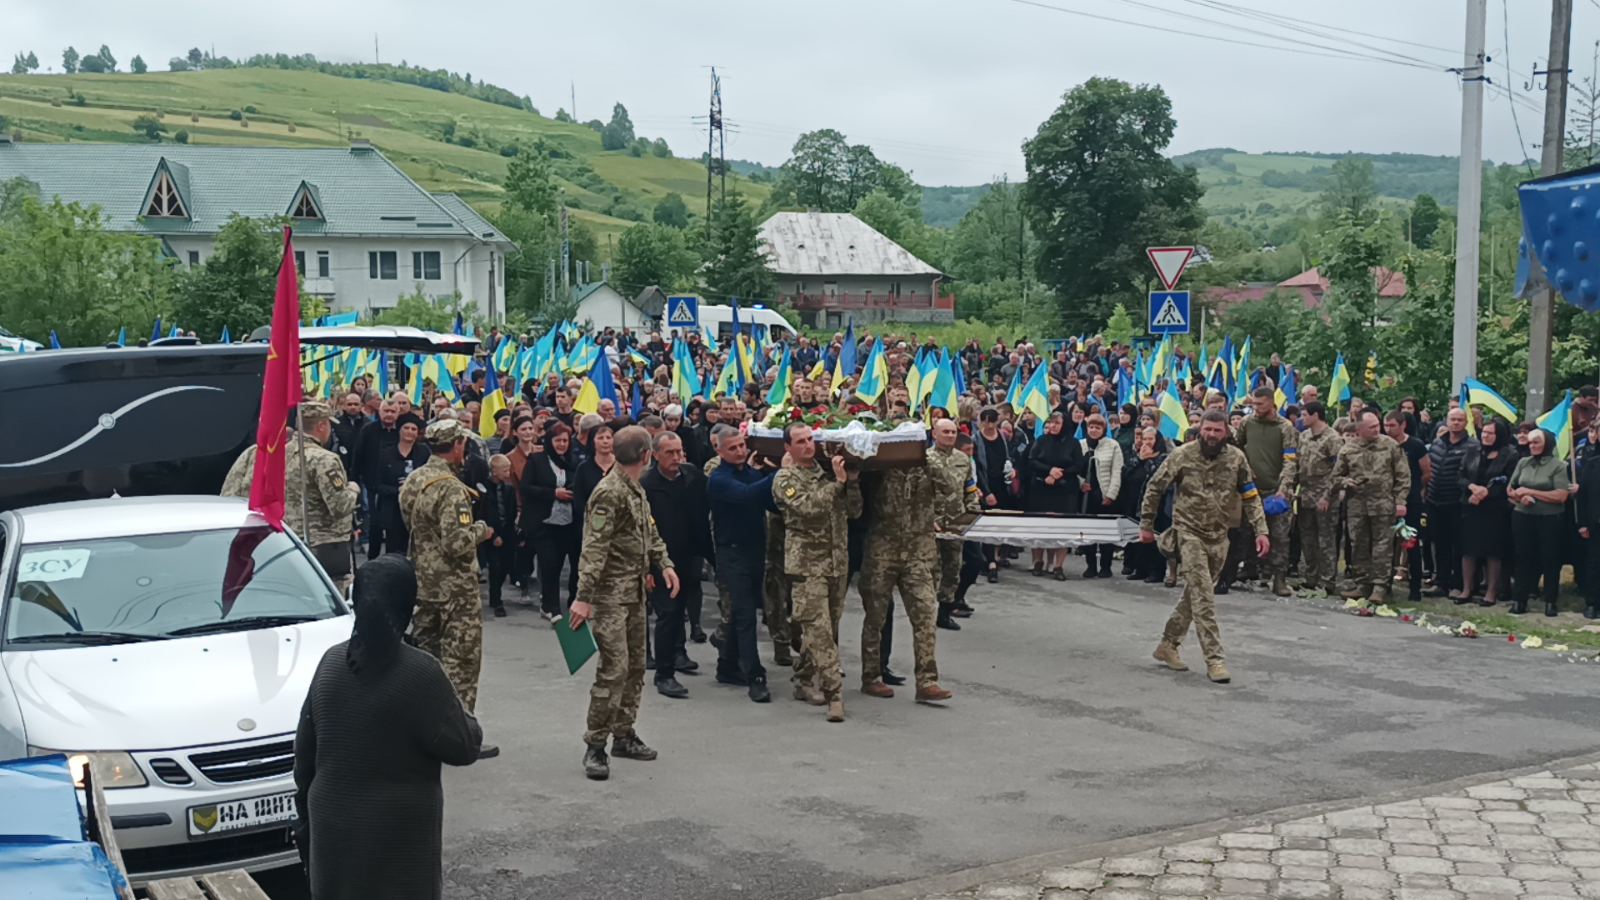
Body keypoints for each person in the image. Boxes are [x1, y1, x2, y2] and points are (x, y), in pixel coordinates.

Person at [292, 556, 482, 900]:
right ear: (408, 604)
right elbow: (465, 746)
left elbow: (303, 757)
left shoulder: (331, 663)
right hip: (400, 846)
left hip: (332, 834)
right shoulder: (421, 672)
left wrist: (307, 821)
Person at [568, 426, 679, 781]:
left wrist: (664, 563)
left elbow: (649, 531)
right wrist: (584, 599)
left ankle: (624, 733)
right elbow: (593, 549)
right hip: (609, 597)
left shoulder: (635, 489)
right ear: (647, 455)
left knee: (633, 668)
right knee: (613, 670)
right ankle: (595, 744)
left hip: (634, 593)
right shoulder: (609, 492)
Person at [1140, 410, 1269, 684]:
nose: (1211, 435)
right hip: (1188, 532)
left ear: (1226, 433)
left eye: (1217, 430)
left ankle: (1168, 644)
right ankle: (1215, 659)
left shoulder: (1236, 458)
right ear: (1200, 429)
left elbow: (1250, 496)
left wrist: (1261, 531)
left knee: (1195, 595)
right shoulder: (1182, 454)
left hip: (1219, 537)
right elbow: (1154, 487)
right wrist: (1146, 525)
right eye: (1207, 429)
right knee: (1204, 598)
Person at [398, 419, 497, 759]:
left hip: (424, 580)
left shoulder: (415, 479)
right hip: (455, 586)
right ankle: (460, 735)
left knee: (428, 656)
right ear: (457, 446)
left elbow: (410, 523)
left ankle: (423, 730)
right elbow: (457, 543)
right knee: (462, 661)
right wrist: (482, 530)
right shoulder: (451, 489)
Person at [220, 400, 360, 592]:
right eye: (328, 424)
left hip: (289, 538)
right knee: (328, 597)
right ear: (321, 426)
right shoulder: (324, 459)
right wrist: (353, 489)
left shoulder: (279, 454)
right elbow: (339, 507)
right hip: (325, 545)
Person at [772, 423, 861, 723]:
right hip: (807, 565)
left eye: (811, 439)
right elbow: (809, 509)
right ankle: (835, 695)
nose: (808, 445)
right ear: (788, 448)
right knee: (820, 630)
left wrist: (852, 482)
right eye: (800, 441)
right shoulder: (785, 479)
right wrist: (837, 483)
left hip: (836, 561)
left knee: (824, 628)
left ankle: (803, 678)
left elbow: (854, 511)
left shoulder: (825, 473)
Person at [706, 426, 779, 701]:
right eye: (733, 448)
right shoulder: (719, 478)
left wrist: (769, 473)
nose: (740, 451)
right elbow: (749, 495)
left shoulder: (750, 473)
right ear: (720, 451)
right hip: (731, 553)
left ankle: (727, 664)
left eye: (742, 446)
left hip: (755, 551)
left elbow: (770, 502)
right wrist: (778, 473)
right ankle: (755, 676)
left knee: (741, 612)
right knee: (746, 614)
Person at [640, 432, 711, 697]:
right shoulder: (647, 485)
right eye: (669, 453)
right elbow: (642, 530)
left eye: (679, 451)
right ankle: (664, 674)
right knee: (668, 614)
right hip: (661, 561)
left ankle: (679, 653)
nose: (676, 457)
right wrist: (648, 568)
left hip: (690, 554)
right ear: (655, 455)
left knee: (683, 608)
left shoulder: (691, 476)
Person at [1332, 409, 1411, 605]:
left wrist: (1400, 501)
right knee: (1358, 544)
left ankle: (1379, 587)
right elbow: (1335, 477)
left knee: (1382, 546)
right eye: (1372, 427)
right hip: (1357, 506)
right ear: (1359, 430)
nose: (1377, 429)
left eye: (1378, 425)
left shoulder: (1390, 446)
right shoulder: (1348, 450)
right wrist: (1345, 482)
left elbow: (1403, 476)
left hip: (1383, 505)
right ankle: (1362, 584)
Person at [1228, 387, 1299, 596]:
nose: (1256, 408)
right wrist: (1245, 467)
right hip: (1250, 489)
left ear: (1271, 403)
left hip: (1275, 490)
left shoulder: (1286, 428)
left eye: (1260, 405)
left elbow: (1290, 461)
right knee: (1244, 531)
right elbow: (1236, 447)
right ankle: (1247, 569)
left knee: (1279, 536)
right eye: (1253, 405)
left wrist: (1284, 488)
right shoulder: (1247, 423)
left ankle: (1279, 578)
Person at [1509, 427, 1573, 616]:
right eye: (1530, 442)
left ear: (1547, 443)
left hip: (1550, 519)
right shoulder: (1523, 462)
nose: (1532, 446)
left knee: (1550, 558)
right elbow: (1512, 489)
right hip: (1523, 515)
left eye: (1536, 442)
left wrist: (1531, 492)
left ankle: (1550, 601)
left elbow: (1561, 495)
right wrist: (1521, 498)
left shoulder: (1559, 466)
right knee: (1522, 557)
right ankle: (1519, 600)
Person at [522, 424, 581, 622]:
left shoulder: (573, 462)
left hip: (567, 523)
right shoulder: (537, 460)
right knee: (549, 564)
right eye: (558, 441)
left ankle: (553, 603)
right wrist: (553, 493)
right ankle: (551, 606)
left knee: (561, 564)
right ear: (550, 441)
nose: (562, 444)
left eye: (565, 440)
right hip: (543, 522)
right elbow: (526, 487)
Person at [1457, 418, 1518, 606]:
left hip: (1495, 509)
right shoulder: (1472, 450)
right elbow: (1461, 476)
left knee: (1493, 552)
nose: (1486, 436)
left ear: (1499, 434)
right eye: (1484, 432)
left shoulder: (1509, 454)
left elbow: (1510, 480)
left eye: (1490, 433)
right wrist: (1473, 487)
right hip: (1471, 505)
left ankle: (1491, 591)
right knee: (1468, 549)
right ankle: (1467, 589)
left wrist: (1486, 493)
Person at [929, 418, 980, 629]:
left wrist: (973, 513)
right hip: (933, 524)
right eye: (945, 432)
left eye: (952, 432)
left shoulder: (963, 459)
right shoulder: (925, 459)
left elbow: (969, 489)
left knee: (953, 567)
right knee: (933, 569)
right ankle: (928, 611)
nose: (950, 435)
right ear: (934, 434)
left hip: (956, 523)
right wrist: (928, 518)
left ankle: (944, 612)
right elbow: (917, 494)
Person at [1424, 407, 1476, 598]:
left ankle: (1457, 584)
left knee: (1458, 546)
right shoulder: (1437, 443)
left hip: (1457, 503)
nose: (1455, 423)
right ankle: (1441, 582)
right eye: (1452, 419)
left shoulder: (1472, 446)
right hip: (1434, 501)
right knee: (1439, 544)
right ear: (1446, 421)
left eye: (1460, 420)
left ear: (1465, 422)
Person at [1028, 411, 1084, 580]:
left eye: (1056, 423)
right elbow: (1032, 460)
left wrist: (1060, 473)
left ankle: (1058, 566)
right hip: (1042, 488)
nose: (1053, 426)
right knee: (1040, 526)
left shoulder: (1073, 443)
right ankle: (1038, 561)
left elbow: (1078, 464)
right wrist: (1049, 471)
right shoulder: (1041, 440)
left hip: (1065, 490)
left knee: (1063, 528)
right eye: (1050, 423)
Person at [1383, 409, 1431, 601]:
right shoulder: (1382, 444)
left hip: (1410, 502)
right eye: (1385, 425)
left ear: (1402, 425)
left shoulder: (1416, 445)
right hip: (1385, 500)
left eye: (1392, 425)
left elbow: (1427, 471)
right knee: (1385, 544)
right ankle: (1383, 584)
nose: (1388, 429)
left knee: (1410, 544)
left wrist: (1417, 489)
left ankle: (1415, 586)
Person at [1295, 402, 1342, 595]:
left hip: (1325, 494)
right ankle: (1310, 576)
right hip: (1305, 494)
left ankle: (1327, 580)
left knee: (1326, 538)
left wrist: (1327, 496)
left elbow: (1338, 470)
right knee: (1308, 537)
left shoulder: (1333, 438)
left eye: (1305, 415)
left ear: (1316, 415)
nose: (1302, 418)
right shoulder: (1304, 436)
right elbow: (1298, 464)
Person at [373, 413, 429, 555]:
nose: (410, 431)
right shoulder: (386, 454)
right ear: (399, 430)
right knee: (395, 551)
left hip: (417, 510)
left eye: (413, 429)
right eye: (406, 428)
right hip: (393, 511)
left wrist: (413, 486)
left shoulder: (424, 452)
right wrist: (399, 490)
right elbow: (377, 484)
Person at [1077, 413, 1124, 578]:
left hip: (1104, 494)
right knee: (1088, 531)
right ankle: (1090, 565)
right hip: (1087, 496)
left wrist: (1111, 494)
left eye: (1098, 427)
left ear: (1104, 429)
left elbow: (1117, 471)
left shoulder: (1113, 446)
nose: (1094, 430)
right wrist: (1080, 484)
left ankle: (1106, 566)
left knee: (1106, 533)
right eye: (1091, 427)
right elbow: (1075, 469)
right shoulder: (1081, 445)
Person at [1121, 427, 1169, 583]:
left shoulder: (1163, 458)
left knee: (1154, 538)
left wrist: (1149, 460)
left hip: (1157, 505)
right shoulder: (1137, 456)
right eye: (1145, 439)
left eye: (1150, 439)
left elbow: (1158, 478)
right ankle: (1140, 568)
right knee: (1139, 538)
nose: (1147, 442)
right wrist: (1140, 459)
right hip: (1136, 502)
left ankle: (1156, 571)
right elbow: (1126, 473)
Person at [482, 455, 520, 618]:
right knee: (495, 567)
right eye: (504, 470)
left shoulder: (509, 489)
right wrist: (494, 535)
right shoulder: (483, 489)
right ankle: (496, 599)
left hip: (508, 532)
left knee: (506, 565)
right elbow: (484, 513)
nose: (508, 473)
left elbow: (511, 512)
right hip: (491, 532)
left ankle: (496, 592)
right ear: (494, 472)